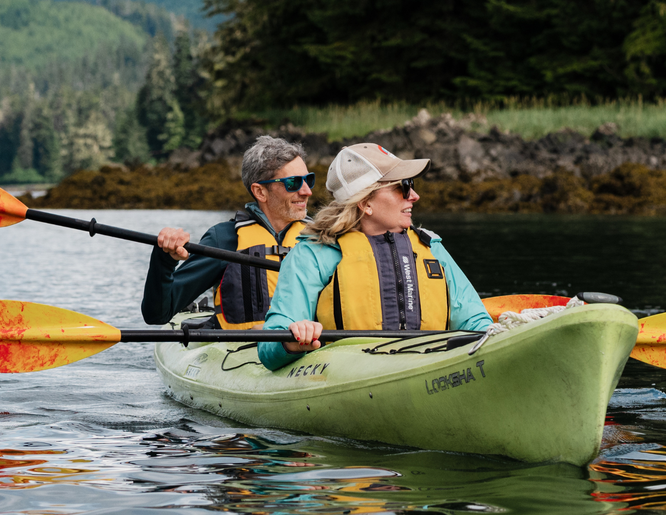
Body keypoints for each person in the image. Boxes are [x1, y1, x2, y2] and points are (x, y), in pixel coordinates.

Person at [258, 143, 493, 370]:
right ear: (365, 202)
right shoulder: (313, 255)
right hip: (349, 377)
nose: (414, 195)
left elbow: (474, 320)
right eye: (403, 187)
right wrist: (293, 339)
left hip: (429, 367)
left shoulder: (431, 247)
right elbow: (269, 347)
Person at [141, 136, 314, 328]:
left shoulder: (322, 238)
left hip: (313, 343)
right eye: (293, 183)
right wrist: (164, 259)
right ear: (260, 192)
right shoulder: (224, 240)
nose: (307, 191)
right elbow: (157, 315)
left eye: (308, 180)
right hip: (243, 344)